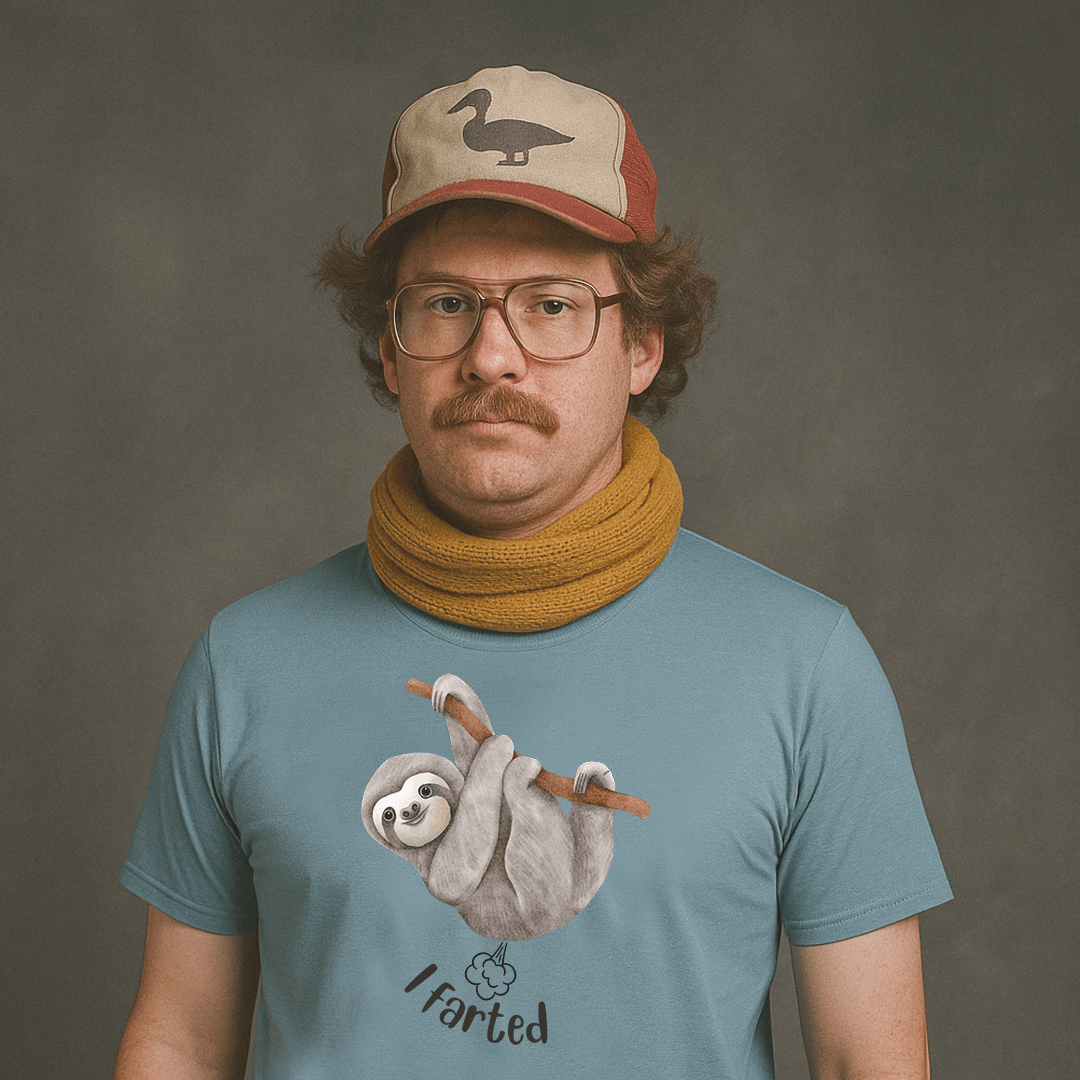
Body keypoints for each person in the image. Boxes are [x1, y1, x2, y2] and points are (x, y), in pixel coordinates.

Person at [114, 66, 951, 1079]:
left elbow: (871, 1061)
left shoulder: (807, 668)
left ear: (642, 345)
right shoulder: (243, 664)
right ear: (391, 349)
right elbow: (180, 1044)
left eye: (552, 304)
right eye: (446, 303)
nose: (491, 356)